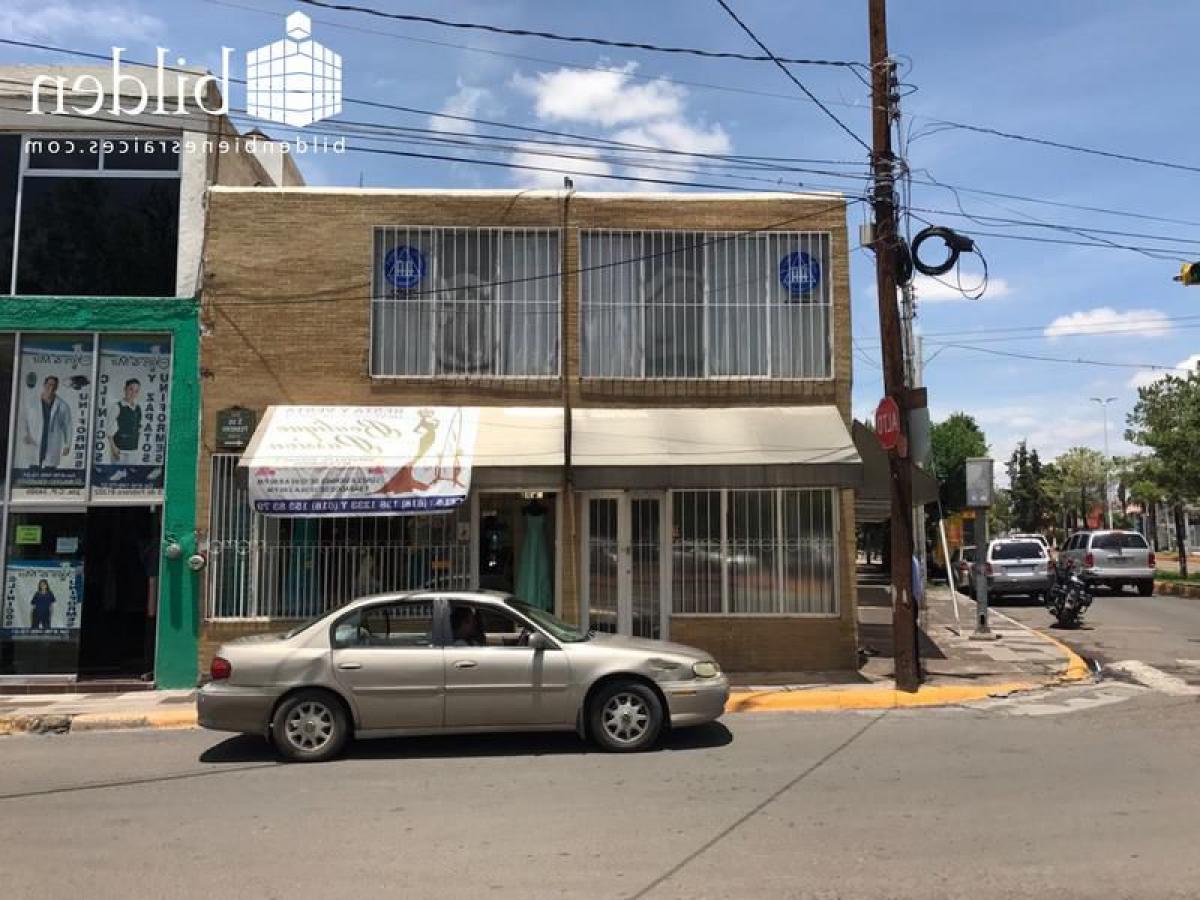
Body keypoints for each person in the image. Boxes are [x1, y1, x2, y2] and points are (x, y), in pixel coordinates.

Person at [21, 376, 72, 469]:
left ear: (56, 388)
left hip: (52, 445)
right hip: (34, 442)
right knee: (32, 471)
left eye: (54, 386)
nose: (51, 388)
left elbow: (67, 426)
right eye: (49, 385)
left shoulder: (63, 406)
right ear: (44, 385)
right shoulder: (32, 403)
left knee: (50, 472)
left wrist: (67, 445)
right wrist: (26, 434)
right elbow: (23, 419)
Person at [110, 378, 143, 463]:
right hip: (120, 450)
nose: (133, 393)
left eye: (136, 391)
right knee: (118, 472)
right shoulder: (117, 406)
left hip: (134, 450)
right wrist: (113, 448)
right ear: (125, 389)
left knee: (131, 474)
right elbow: (108, 429)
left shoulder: (138, 408)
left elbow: (138, 427)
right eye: (131, 389)